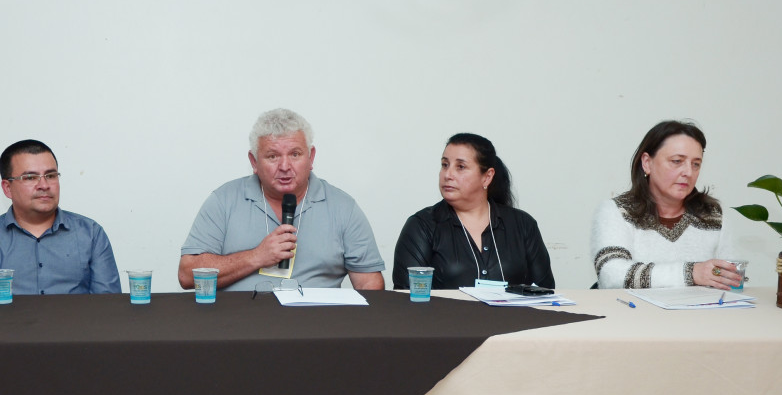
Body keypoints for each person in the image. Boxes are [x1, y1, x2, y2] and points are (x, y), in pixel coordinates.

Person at [179, 108, 385, 291]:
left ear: (311, 157)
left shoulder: (343, 207)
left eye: (295, 154)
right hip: (241, 325)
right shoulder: (223, 201)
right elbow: (187, 275)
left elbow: (369, 283)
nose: (285, 166)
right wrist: (256, 257)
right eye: (272, 156)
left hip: (318, 326)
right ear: (254, 161)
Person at [0, 139, 120, 295]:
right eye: (30, 177)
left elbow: (108, 307)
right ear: (7, 188)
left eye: (50, 175)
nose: (44, 185)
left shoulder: (90, 234)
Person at [591, 120, 741, 290]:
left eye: (696, 164)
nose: (688, 172)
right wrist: (691, 273)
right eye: (677, 161)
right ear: (647, 163)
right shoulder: (616, 212)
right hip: (635, 314)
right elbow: (611, 275)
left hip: (699, 315)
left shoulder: (714, 216)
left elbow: (730, 281)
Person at [393, 133, 554, 290]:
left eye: (461, 167)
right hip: (443, 317)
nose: (448, 175)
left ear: (487, 177)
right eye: (444, 165)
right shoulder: (422, 225)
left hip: (512, 317)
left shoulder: (522, 224)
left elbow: (544, 290)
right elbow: (406, 295)